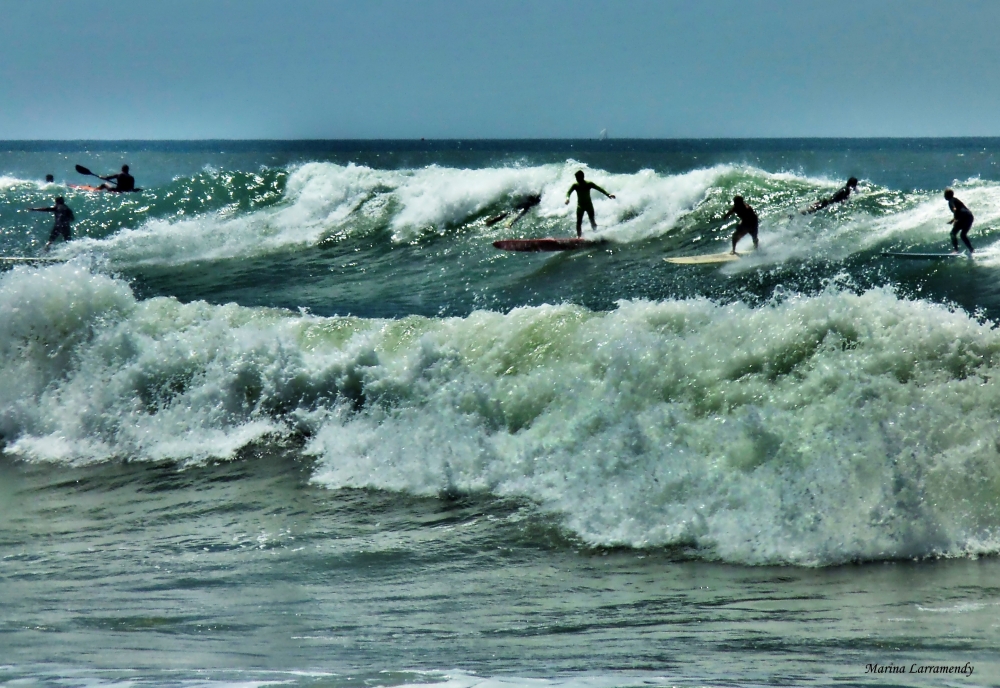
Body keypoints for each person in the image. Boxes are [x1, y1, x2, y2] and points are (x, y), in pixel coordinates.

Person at [565, 170, 615, 237]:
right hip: (580, 206)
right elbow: (568, 192)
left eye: (577, 178)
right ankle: (579, 238)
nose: (576, 179)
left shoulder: (589, 184)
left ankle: (595, 235)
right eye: (576, 178)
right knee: (578, 223)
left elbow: (599, 189)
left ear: (582, 177)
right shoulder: (575, 185)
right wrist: (567, 198)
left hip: (589, 206)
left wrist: (608, 195)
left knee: (592, 221)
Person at [944, 188, 974, 254]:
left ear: (946, 195)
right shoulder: (956, 200)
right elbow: (961, 210)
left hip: (963, 217)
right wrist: (953, 220)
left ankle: (956, 250)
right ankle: (971, 250)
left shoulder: (951, 201)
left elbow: (955, 209)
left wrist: (955, 220)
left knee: (952, 233)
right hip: (969, 216)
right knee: (963, 235)